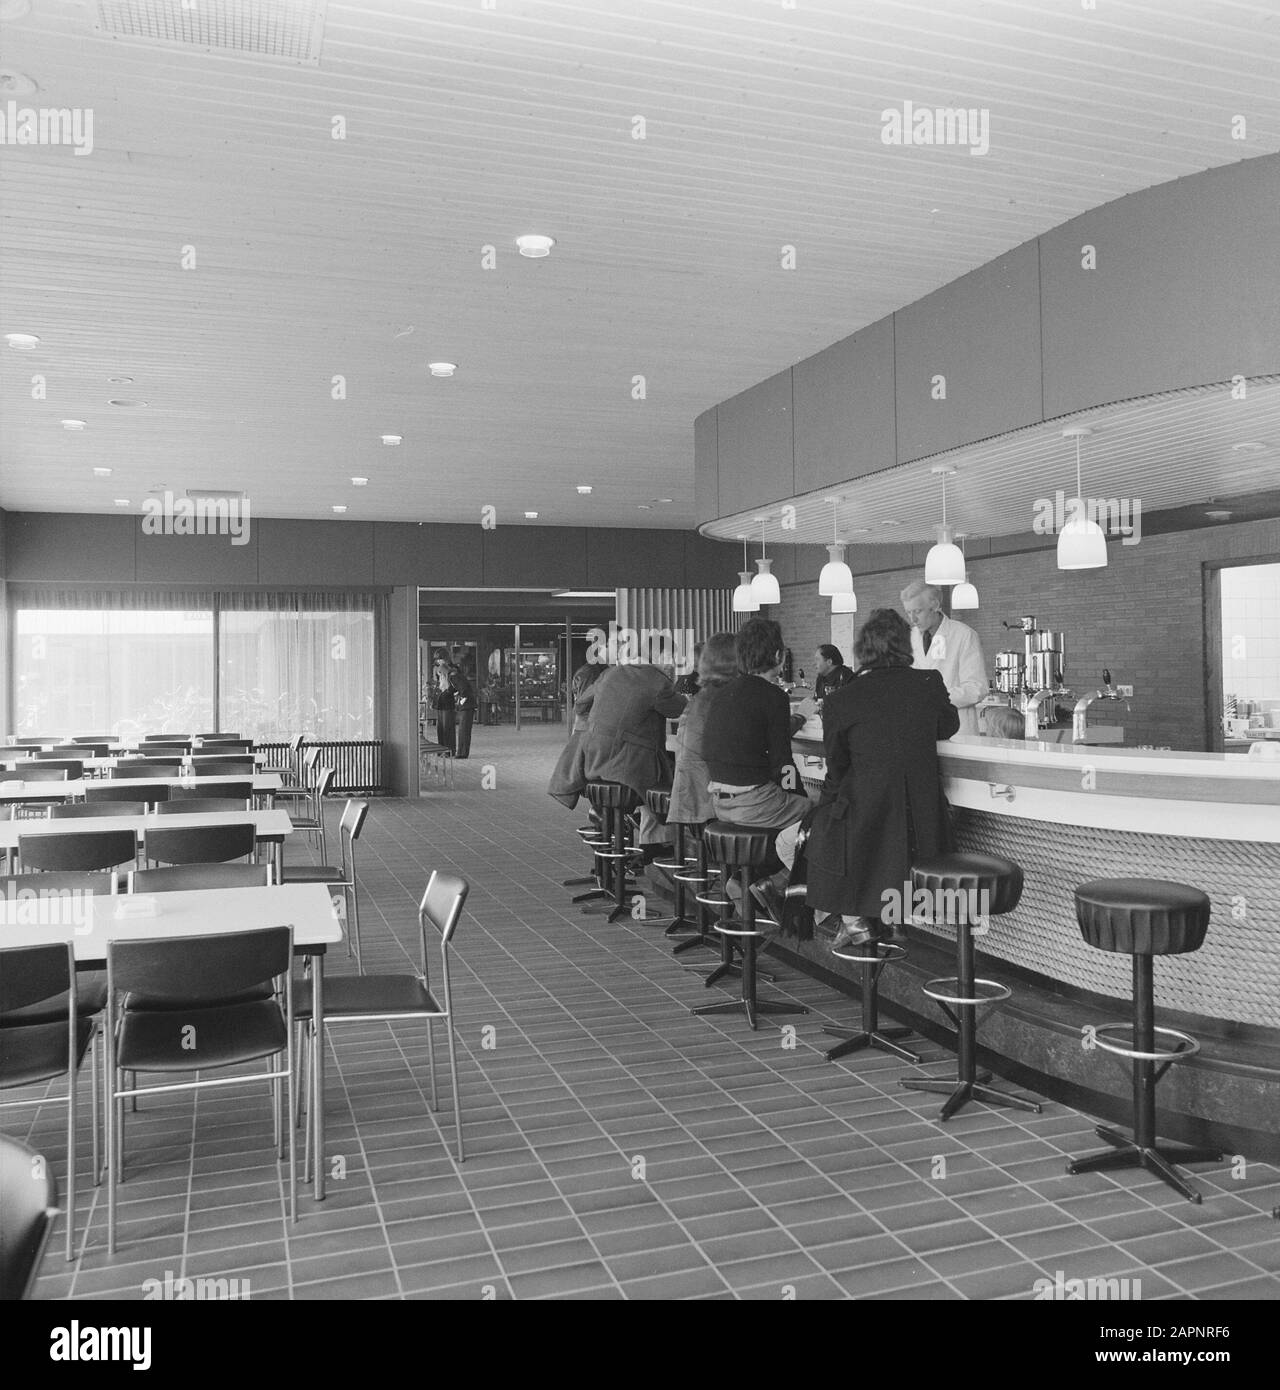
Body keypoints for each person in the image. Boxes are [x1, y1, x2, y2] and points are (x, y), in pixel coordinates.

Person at [802, 608, 959, 950]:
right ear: (906, 645)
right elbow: (949, 726)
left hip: (864, 817)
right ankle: (888, 918)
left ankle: (856, 918)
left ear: (862, 649)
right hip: (923, 820)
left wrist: (822, 809)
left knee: (817, 832)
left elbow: (838, 769)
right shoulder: (928, 682)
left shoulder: (841, 699)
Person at [699, 617, 812, 923]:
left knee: (797, 820)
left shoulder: (721, 694)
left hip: (720, 803)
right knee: (822, 820)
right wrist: (801, 801)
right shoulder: (772, 696)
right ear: (779, 656)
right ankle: (773, 887)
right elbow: (782, 764)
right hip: (754, 803)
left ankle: (743, 880)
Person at [578, 656, 686, 848]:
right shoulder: (657, 681)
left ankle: (607, 814)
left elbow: (581, 705)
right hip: (625, 767)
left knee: (656, 774)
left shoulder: (610, 674)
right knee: (665, 783)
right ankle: (656, 847)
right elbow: (682, 709)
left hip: (592, 761)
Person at [901, 580, 987, 736]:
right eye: (908, 612)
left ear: (934, 606)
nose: (912, 619)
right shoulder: (908, 637)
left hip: (959, 730)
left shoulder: (964, 635)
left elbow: (977, 688)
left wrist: (936, 697)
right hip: (920, 728)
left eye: (918, 611)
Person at [668, 634, 737, 828]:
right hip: (708, 793)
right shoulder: (725, 697)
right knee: (802, 806)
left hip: (689, 789)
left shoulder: (703, 697)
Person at [548, 660, 607, 809]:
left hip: (585, 729)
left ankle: (601, 814)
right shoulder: (594, 674)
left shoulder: (586, 671)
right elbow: (581, 705)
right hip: (590, 729)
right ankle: (602, 813)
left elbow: (579, 704)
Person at [449, 654, 476, 759]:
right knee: (463, 729)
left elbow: (463, 690)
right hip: (467, 705)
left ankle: (462, 753)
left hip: (467, 705)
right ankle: (461, 751)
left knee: (464, 730)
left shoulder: (455, 677)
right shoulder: (458, 676)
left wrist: (460, 700)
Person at [432, 656, 456, 754]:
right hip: (441, 705)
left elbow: (453, 689)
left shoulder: (451, 674)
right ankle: (441, 748)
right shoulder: (440, 676)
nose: (439, 673)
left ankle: (449, 749)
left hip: (447, 705)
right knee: (440, 728)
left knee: (447, 728)